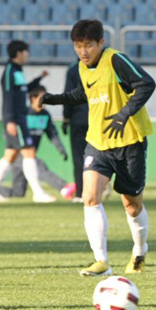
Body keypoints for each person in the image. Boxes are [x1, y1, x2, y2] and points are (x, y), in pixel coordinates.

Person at [40, 19, 156, 276]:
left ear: (101, 43)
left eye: (88, 45)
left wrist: (124, 114)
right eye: (78, 46)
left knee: (132, 205)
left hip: (130, 143)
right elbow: (84, 94)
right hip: (98, 143)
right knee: (90, 197)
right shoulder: (83, 67)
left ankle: (139, 250)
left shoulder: (116, 60)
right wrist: (54, 99)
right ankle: (101, 261)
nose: (83, 51)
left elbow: (146, 84)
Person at [0, 85, 76, 201]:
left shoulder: (45, 115)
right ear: (32, 98)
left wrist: (61, 148)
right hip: (19, 153)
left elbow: (52, 134)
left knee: (18, 192)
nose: (46, 100)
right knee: (39, 165)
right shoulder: (24, 114)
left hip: (27, 156)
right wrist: (15, 144)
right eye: (42, 97)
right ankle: (64, 188)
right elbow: (9, 131)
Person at [0, 40, 56, 203]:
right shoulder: (10, 71)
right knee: (29, 152)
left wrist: (39, 78)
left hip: (18, 117)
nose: (28, 55)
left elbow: (24, 89)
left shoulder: (17, 70)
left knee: (9, 155)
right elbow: (8, 96)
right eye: (26, 52)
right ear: (19, 53)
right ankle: (38, 193)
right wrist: (10, 120)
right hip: (16, 118)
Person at [62, 60, 89, 203]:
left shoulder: (73, 69)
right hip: (98, 119)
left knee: (79, 157)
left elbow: (68, 95)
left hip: (78, 120)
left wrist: (66, 118)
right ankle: (97, 189)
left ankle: (80, 194)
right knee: (98, 157)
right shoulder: (101, 66)